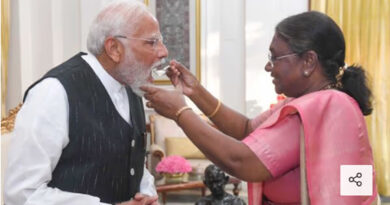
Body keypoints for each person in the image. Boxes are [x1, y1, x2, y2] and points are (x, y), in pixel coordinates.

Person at [141, 11, 378, 204]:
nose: (268, 67)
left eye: (275, 58)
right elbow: (247, 129)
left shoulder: (325, 105)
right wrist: (197, 92)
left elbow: (242, 162)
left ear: (308, 62)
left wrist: (181, 113)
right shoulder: (311, 102)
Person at [4, 1, 168, 205]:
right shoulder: (54, 92)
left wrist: (147, 193)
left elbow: (133, 163)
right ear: (114, 48)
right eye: (151, 42)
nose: (163, 52)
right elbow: (22, 194)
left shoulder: (130, 84)